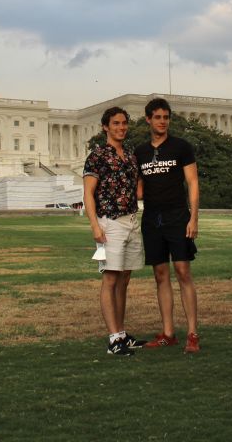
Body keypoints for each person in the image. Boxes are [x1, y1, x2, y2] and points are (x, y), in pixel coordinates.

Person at [135, 98, 201, 354]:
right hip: (152, 219)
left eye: (166, 117)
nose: (163, 122)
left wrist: (194, 217)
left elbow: (192, 182)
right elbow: (139, 186)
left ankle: (193, 333)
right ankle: (168, 333)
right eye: (158, 117)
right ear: (149, 119)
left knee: (183, 271)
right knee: (160, 275)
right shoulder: (140, 151)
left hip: (177, 216)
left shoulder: (181, 147)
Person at [83, 106, 146, 356]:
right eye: (116, 123)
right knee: (110, 279)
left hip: (131, 221)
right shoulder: (97, 156)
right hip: (110, 222)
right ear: (105, 127)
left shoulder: (130, 157)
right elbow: (88, 193)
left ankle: (121, 333)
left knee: (124, 279)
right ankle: (113, 340)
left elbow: (138, 190)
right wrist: (94, 226)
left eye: (124, 123)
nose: (121, 127)